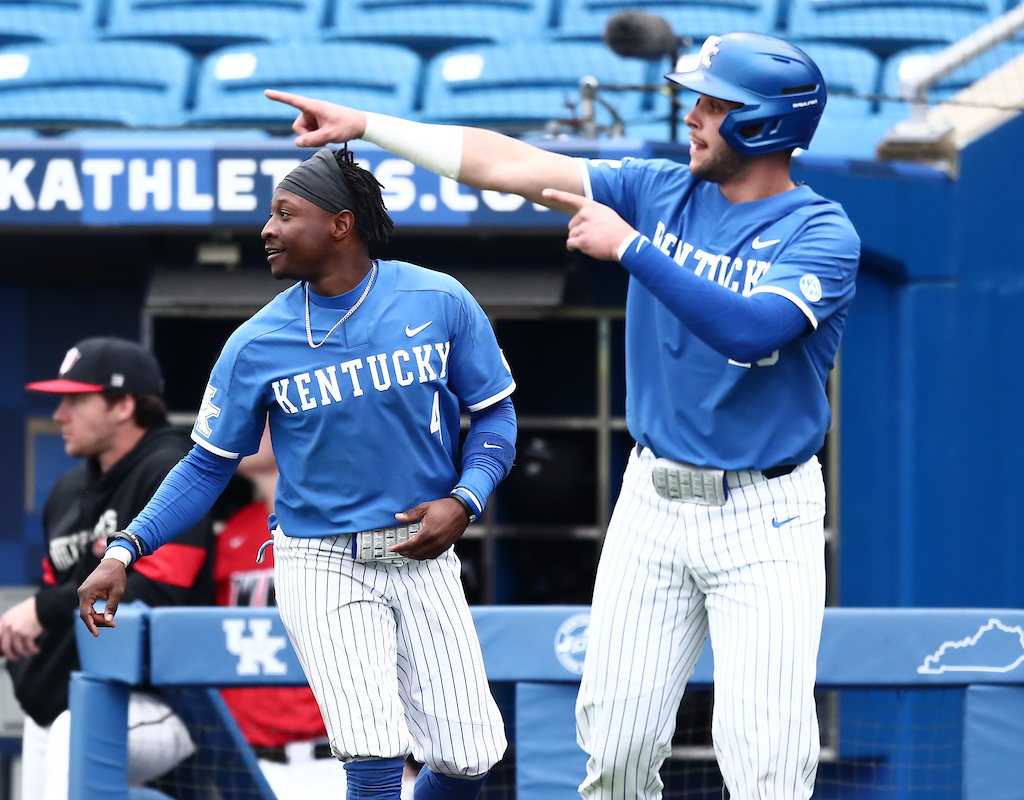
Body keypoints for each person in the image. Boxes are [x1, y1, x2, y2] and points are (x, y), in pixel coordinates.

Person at [263, 31, 859, 800]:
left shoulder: (821, 232)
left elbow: (750, 332)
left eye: (716, 104)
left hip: (766, 511)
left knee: (766, 758)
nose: (694, 116)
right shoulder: (659, 188)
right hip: (654, 500)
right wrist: (370, 127)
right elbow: (508, 164)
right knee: (614, 751)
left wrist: (633, 250)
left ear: (767, 123)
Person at [77, 147, 518, 800]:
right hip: (320, 554)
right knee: (371, 744)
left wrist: (467, 497)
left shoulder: (438, 297)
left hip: (421, 548)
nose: (267, 229)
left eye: (286, 214)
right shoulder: (256, 342)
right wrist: (126, 547)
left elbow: (495, 417)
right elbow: (205, 468)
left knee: (469, 755)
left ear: (341, 225)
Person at [0, 336, 213, 800]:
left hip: (165, 702)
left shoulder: (170, 473)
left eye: (75, 399)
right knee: (48, 723)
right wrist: (35, 628)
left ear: (123, 405)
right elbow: (54, 591)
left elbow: (158, 593)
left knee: (76, 726)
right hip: (80, 696)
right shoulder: (68, 492)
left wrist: (46, 609)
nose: (59, 415)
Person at [214, 425, 347, 799]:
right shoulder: (234, 532)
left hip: (335, 758)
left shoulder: (341, 520)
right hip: (249, 762)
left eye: (261, 419)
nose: (242, 429)